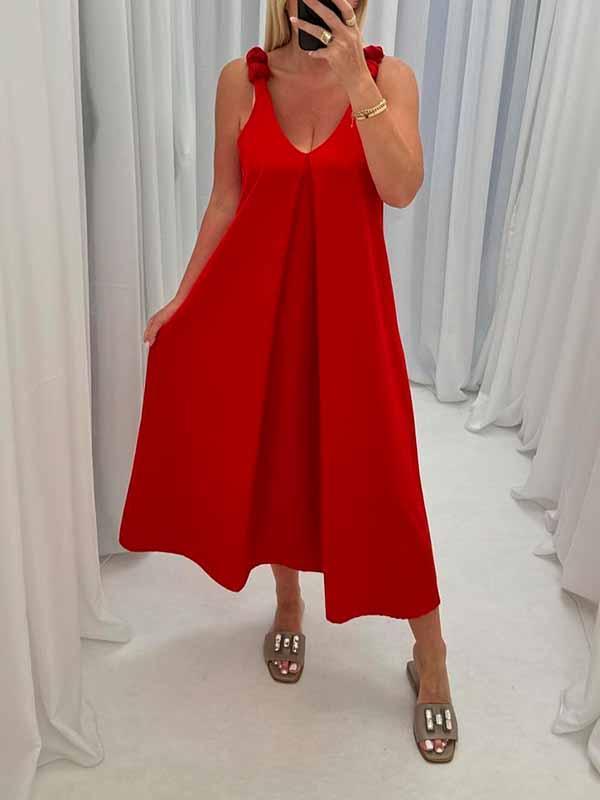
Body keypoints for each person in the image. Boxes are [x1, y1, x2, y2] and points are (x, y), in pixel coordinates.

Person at [119, 0, 458, 763]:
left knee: (386, 484)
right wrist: (184, 299)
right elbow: (226, 200)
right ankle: (288, 601)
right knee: (277, 460)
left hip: (355, 322)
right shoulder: (241, 81)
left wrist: (357, 83)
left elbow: (401, 187)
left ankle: (431, 654)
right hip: (261, 313)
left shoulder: (389, 79)